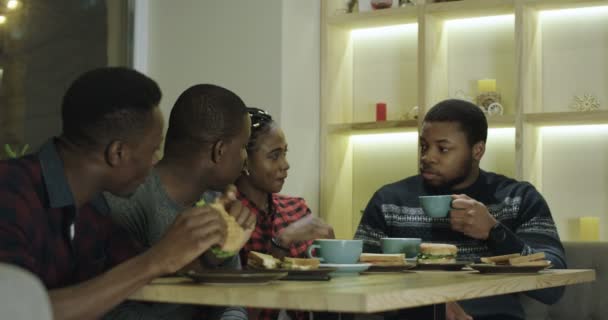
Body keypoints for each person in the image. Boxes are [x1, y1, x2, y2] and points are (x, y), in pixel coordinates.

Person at [0, 67, 229, 320]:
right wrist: (155, 259)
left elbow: (142, 272)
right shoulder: (10, 191)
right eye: (153, 150)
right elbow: (14, 311)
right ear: (117, 153)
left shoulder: (93, 210)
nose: (155, 162)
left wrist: (210, 242)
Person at [355, 99, 566, 320]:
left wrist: (495, 232)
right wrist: (424, 305)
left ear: (477, 151)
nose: (427, 157)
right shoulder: (390, 201)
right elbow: (357, 280)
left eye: (443, 149)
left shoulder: (517, 198)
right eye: (424, 146)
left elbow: (553, 284)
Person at [103, 84, 256, 319]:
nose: (246, 159)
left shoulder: (217, 205)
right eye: (244, 147)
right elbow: (113, 309)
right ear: (220, 151)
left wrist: (219, 253)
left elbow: (231, 303)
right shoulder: (127, 202)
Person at [235, 108, 335, 320]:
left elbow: (325, 287)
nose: (285, 165)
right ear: (244, 160)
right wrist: (281, 242)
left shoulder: (296, 209)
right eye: (274, 156)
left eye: (285, 153)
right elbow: (242, 305)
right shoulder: (228, 216)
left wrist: (331, 253)